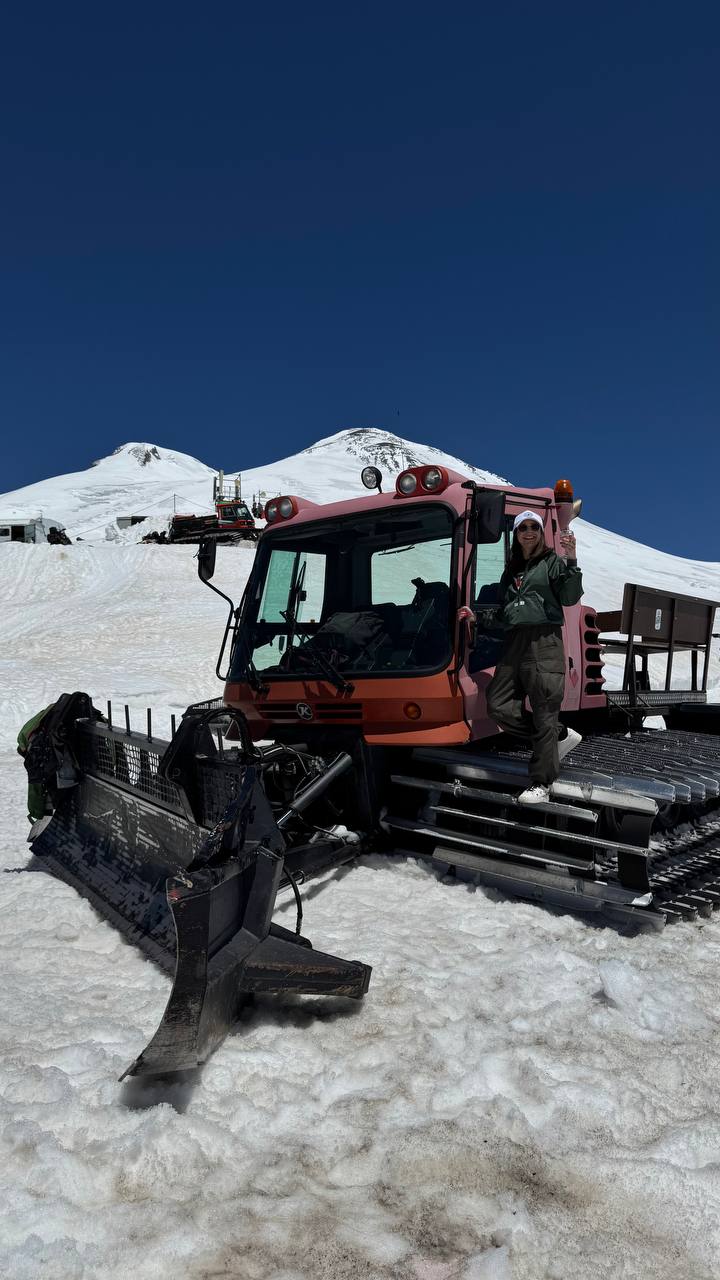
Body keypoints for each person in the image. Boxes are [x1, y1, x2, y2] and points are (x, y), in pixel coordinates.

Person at [485, 510, 584, 805]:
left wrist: (571, 559)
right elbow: (505, 611)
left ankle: (542, 782)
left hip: (544, 639)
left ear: (540, 532)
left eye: (534, 527)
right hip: (515, 640)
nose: (529, 531)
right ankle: (558, 735)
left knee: (544, 708)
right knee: (498, 704)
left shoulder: (552, 562)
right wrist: (476, 619)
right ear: (515, 534)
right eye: (522, 527)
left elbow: (569, 597)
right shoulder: (512, 569)